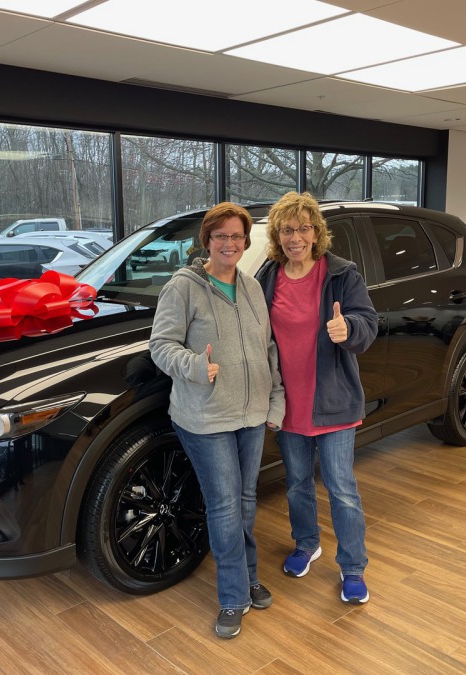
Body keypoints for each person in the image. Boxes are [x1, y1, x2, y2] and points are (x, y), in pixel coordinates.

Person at [149, 202, 285, 639]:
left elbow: (268, 349)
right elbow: (161, 345)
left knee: (245, 500)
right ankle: (233, 595)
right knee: (225, 505)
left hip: (251, 414)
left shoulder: (252, 287)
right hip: (205, 416)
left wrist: (275, 402)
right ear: (206, 241)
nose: (230, 243)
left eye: (237, 236)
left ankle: (248, 576)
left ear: (246, 242)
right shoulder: (183, 288)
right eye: (221, 236)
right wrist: (194, 366)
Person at [255, 191, 379, 604]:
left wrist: (350, 330)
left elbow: (368, 322)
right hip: (288, 403)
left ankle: (353, 566)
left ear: (316, 232)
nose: (295, 237)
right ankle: (307, 543)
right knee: (297, 484)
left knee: (341, 488)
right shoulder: (268, 276)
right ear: (277, 235)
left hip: (333, 401)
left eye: (303, 228)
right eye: (287, 230)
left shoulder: (341, 274)